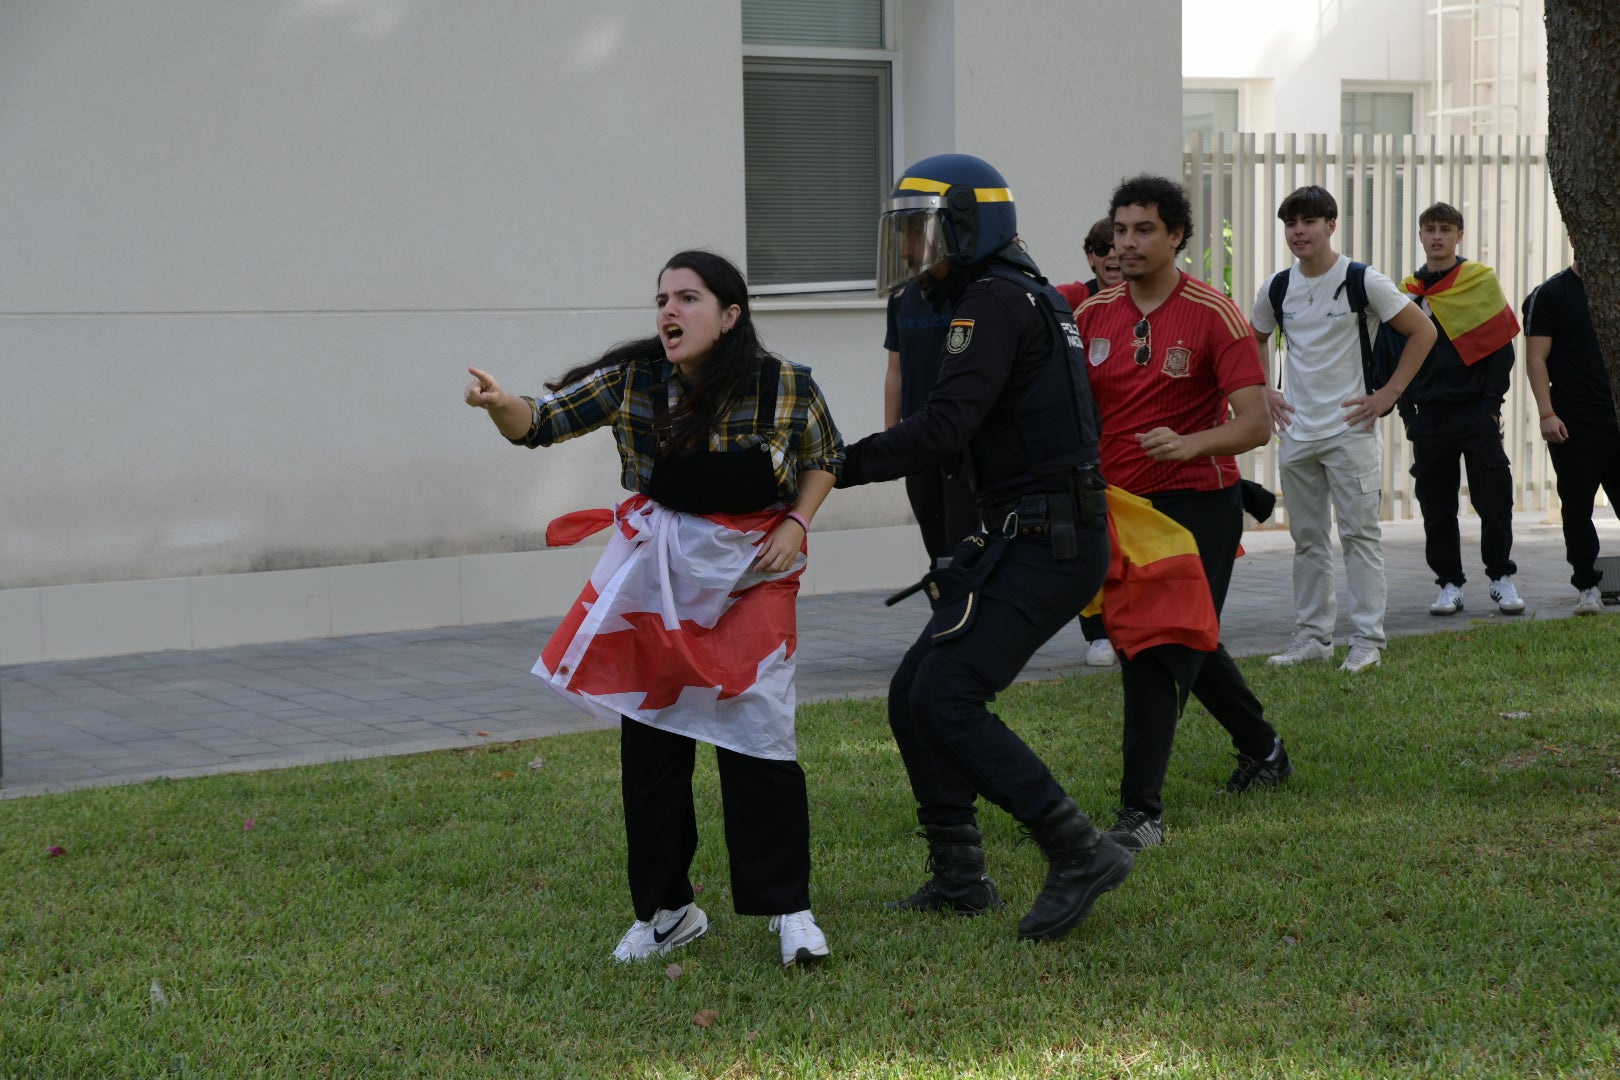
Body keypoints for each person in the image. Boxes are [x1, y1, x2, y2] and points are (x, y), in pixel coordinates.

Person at [464, 250, 844, 967]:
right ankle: (669, 913)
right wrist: (498, 405)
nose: (669, 310)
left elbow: (827, 455)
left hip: (751, 584)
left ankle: (790, 910)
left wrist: (799, 522)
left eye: (688, 298)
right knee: (652, 749)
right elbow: (540, 423)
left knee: (760, 740)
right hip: (656, 583)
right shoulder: (633, 380)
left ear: (730, 317)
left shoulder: (784, 385)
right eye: (663, 299)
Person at [838, 153, 1133, 942]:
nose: (907, 252)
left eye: (920, 234)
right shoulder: (1010, 294)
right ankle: (961, 876)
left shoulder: (994, 304)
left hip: (1047, 539)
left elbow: (943, 428)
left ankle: (1078, 850)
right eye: (902, 234)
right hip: (1025, 532)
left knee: (947, 696)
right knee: (912, 696)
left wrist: (835, 463)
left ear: (969, 229)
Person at [1073, 175, 1289, 850]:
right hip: (1119, 508)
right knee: (1187, 638)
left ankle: (1142, 816)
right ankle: (1265, 748)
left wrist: (1190, 442)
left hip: (1198, 502)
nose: (1127, 242)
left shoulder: (1213, 313)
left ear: (1176, 237)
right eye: (1120, 229)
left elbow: (1255, 424)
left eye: (1143, 230)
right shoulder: (1090, 317)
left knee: (1154, 647)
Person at [1250, 185, 1436, 673]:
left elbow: (1424, 332)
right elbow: (1256, 336)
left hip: (1350, 428)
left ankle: (1367, 641)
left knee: (1360, 535)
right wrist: (1265, 389)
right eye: (1290, 223)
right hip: (1296, 431)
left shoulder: (1362, 280)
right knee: (1308, 539)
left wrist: (1387, 395)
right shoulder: (1277, 287)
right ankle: (1313, 637)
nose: (1298, 232)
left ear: (1331, 225)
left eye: (1308, 222)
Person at [1397, 202, 1524, 616]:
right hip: (1428, 416)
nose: (1437, 236)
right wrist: (1407, 413)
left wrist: (1490, 406)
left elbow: (1501, 349)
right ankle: (1449, 583)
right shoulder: (1406, 293)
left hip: (1475, 413)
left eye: (1446, 229)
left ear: (1459, 236)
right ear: (1420, 236)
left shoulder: (1479, 281)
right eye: (1430, 229)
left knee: (1494, 498)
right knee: (1436, 505)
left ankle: (1501, 578)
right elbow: (1393, 357)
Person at [1524, 261, 1620, 615]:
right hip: (1573, 424)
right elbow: (1536, 359)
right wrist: (1547, 413)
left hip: (1617, 421)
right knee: (1577, 510)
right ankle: (1588, 586)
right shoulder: (1550, 295)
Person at [1058, 216, 1126, 666]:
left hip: (1129, 439)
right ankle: (1097, 632)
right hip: (1082, 441)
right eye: (1102, 250)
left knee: (1131, 541)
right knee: (1090, 537)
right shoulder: (1069, 300)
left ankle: (1133, 624)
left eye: (1117, 248)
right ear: (1090, 257)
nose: (1111, 258)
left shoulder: (1144, 302)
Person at [884, 270, 981, 568]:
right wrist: (891, 437)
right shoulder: (900, 299)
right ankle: (946, 607)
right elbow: (895, 371)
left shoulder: (967, 292)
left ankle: (967, 607)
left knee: (962, 541)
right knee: (935, 545)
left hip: (959, 439)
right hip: (917, 439)